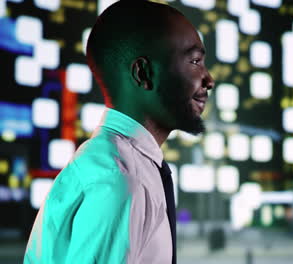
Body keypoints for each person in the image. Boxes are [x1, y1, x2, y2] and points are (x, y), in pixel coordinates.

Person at [24, 0, 214, 263]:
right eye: (195, 61)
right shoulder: (121, 179)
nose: (209, 79)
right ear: (143, 73)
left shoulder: (124, 166)